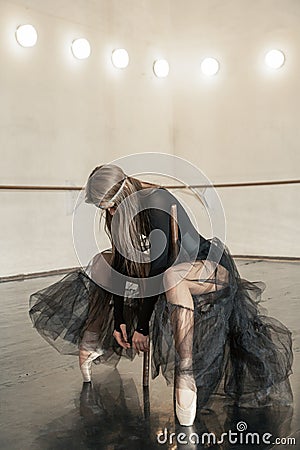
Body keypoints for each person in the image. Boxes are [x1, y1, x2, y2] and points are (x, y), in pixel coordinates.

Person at [29, 163, 293, 427]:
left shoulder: (157, 200)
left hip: (204, 266)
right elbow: (123, 263)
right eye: (104, 209)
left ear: (122, 193)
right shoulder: (120, 209)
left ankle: (186, 374)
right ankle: (93, 339)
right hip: (166, 270)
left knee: (171, 277)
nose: (109, 212)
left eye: (110, 205)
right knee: (102, 262)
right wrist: (120, 319)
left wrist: (142, 327)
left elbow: (161, 268)